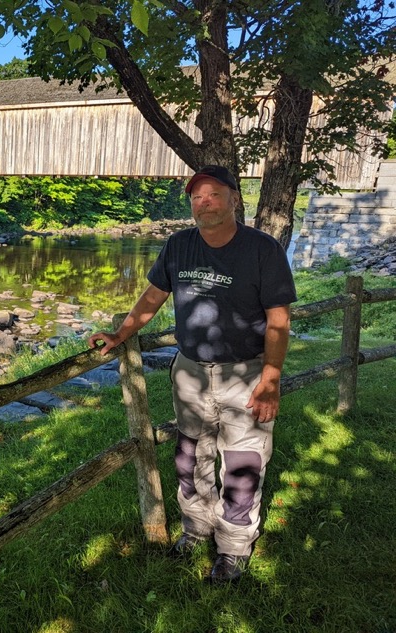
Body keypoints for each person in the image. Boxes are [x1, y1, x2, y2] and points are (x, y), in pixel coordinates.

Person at [88, 165, 297, 583]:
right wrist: (121, 333)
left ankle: (234, 549)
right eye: (197, 198)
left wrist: (270, 379)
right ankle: (197, 529)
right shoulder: (179, 245)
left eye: (214, 195)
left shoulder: (262, 250)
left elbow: (278, 319)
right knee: (190, 456)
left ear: (234, 199)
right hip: (190, 372)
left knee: (243, 463)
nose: (204, 203)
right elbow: (153, 295)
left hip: (246, 373)